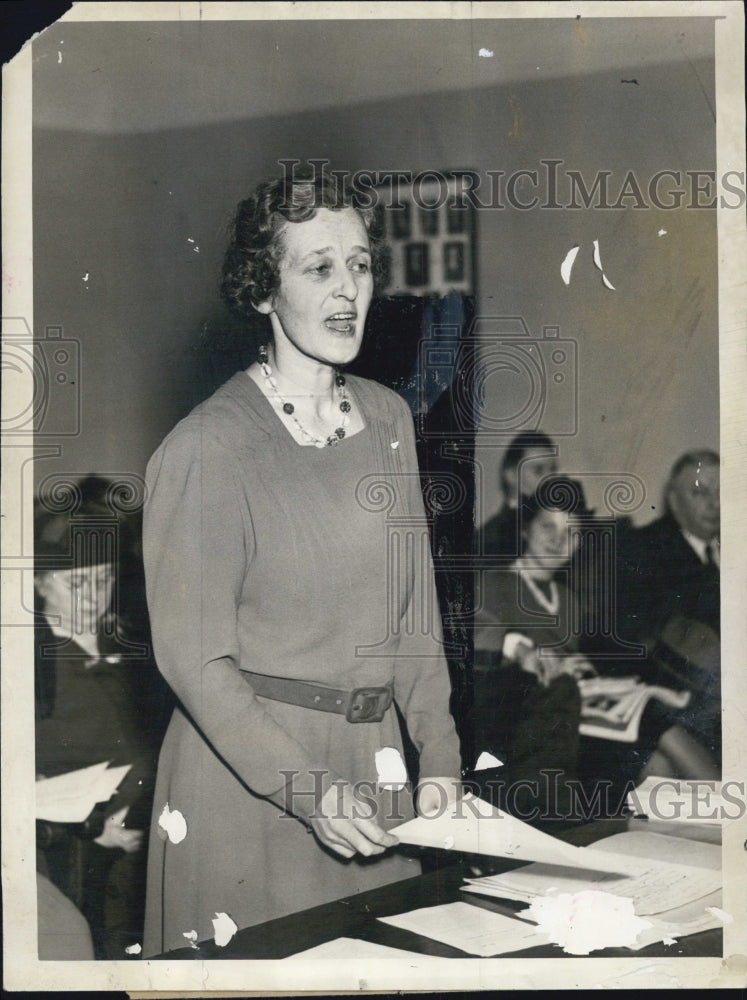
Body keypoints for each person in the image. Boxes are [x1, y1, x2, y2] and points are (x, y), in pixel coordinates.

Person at [141, 170, 462, 956]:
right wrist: (309, 792)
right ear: (262, 289)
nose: (347, 288)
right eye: (317, 267)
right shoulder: (207, 448)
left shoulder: (387, 418)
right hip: (255, 781)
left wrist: (442, 758)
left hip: (375, 764)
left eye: (358, 263)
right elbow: (193, 659)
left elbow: (414, 619)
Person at [470, 476, 717, 820]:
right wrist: (523, 652)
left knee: (659, 764)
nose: (559, 541)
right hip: (528, 729)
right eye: (548, 527)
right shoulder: (490, 584)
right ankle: (736, 814)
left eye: (571, 532)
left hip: (581, 721)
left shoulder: (569, 601)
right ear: (525, 529)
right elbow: (474, 640)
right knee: (658, 726)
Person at [34, 496, 158, 958]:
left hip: (151, 831)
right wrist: (90, 826)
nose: (92, 596)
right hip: (78, 850)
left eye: (102, 580)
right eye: (77, 583)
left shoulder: (132, 643)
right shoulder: (29, 662)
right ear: (43, 584)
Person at [614, 450, 721, 762]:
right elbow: (636, 635)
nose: (715, 504)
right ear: (674, 500)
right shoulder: (643, 548)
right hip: (675, 690)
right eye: (700, 493)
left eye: (721, 493)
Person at [475, 431, 557, 559]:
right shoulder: (489, 539)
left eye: (553, 470)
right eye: (538, 470)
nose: (549, 479)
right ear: (511, 476)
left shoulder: (562, 531)